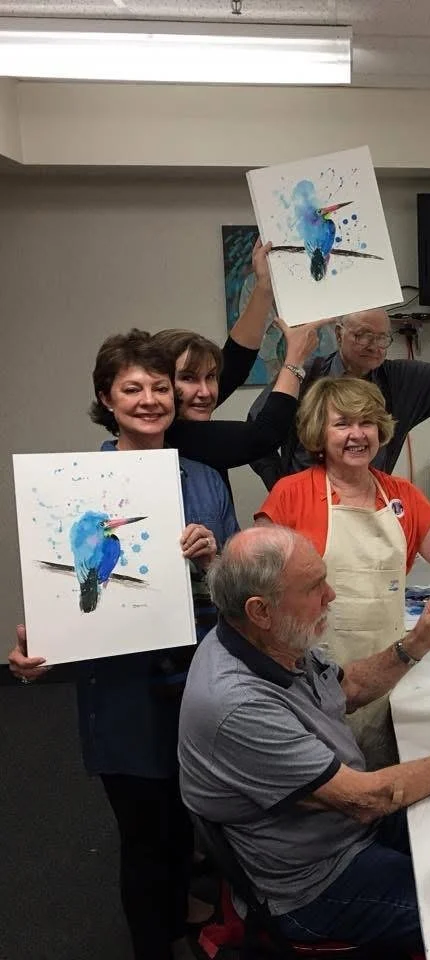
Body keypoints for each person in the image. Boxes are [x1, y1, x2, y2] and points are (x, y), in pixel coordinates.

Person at [178, 526, 430, 955]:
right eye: (314, 587)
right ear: (260, 610)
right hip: (315, 882)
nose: (330, 595)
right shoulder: (236, 704)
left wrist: (414, 645)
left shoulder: (268, 641)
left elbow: (345, 689)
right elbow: (366, 799)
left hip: (346, 831)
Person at [8, 330, 240, 960]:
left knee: (192, 811)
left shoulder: (204, 479)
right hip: (120, 687)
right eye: (131, 388)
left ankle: (184, 908)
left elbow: (236, 585)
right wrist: (37, 646)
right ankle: (153, 944)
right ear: (105, 399)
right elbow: (62, 591)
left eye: (160, 387)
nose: (149, 400)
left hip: (198, 670)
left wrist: (216, 554)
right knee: (144, 828)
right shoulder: (72, 484)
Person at [254, 375, 430, 768]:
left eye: (367, 422)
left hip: (390, 668)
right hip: (312, 677)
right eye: (342, 424)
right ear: (318, 433)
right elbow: (258, 584)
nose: (357, 434)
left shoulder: (401, 495)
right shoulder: (290, 494)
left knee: (383, 769)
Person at [248, 308, 430, 489]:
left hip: (368, 506)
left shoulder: (399, 382)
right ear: (338, 333)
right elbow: (256, 428)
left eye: (382, 338)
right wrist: (280, 483)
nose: (374, 346)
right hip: (306, 504)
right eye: (362, 335)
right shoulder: (304, 376)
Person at [152, 317, 325, 492]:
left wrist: (265, 290)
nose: (205, 392)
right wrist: (295, 360)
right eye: (188, 378)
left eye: (211, 377)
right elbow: (264, 435)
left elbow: (236, 364)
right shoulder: (173, 436)